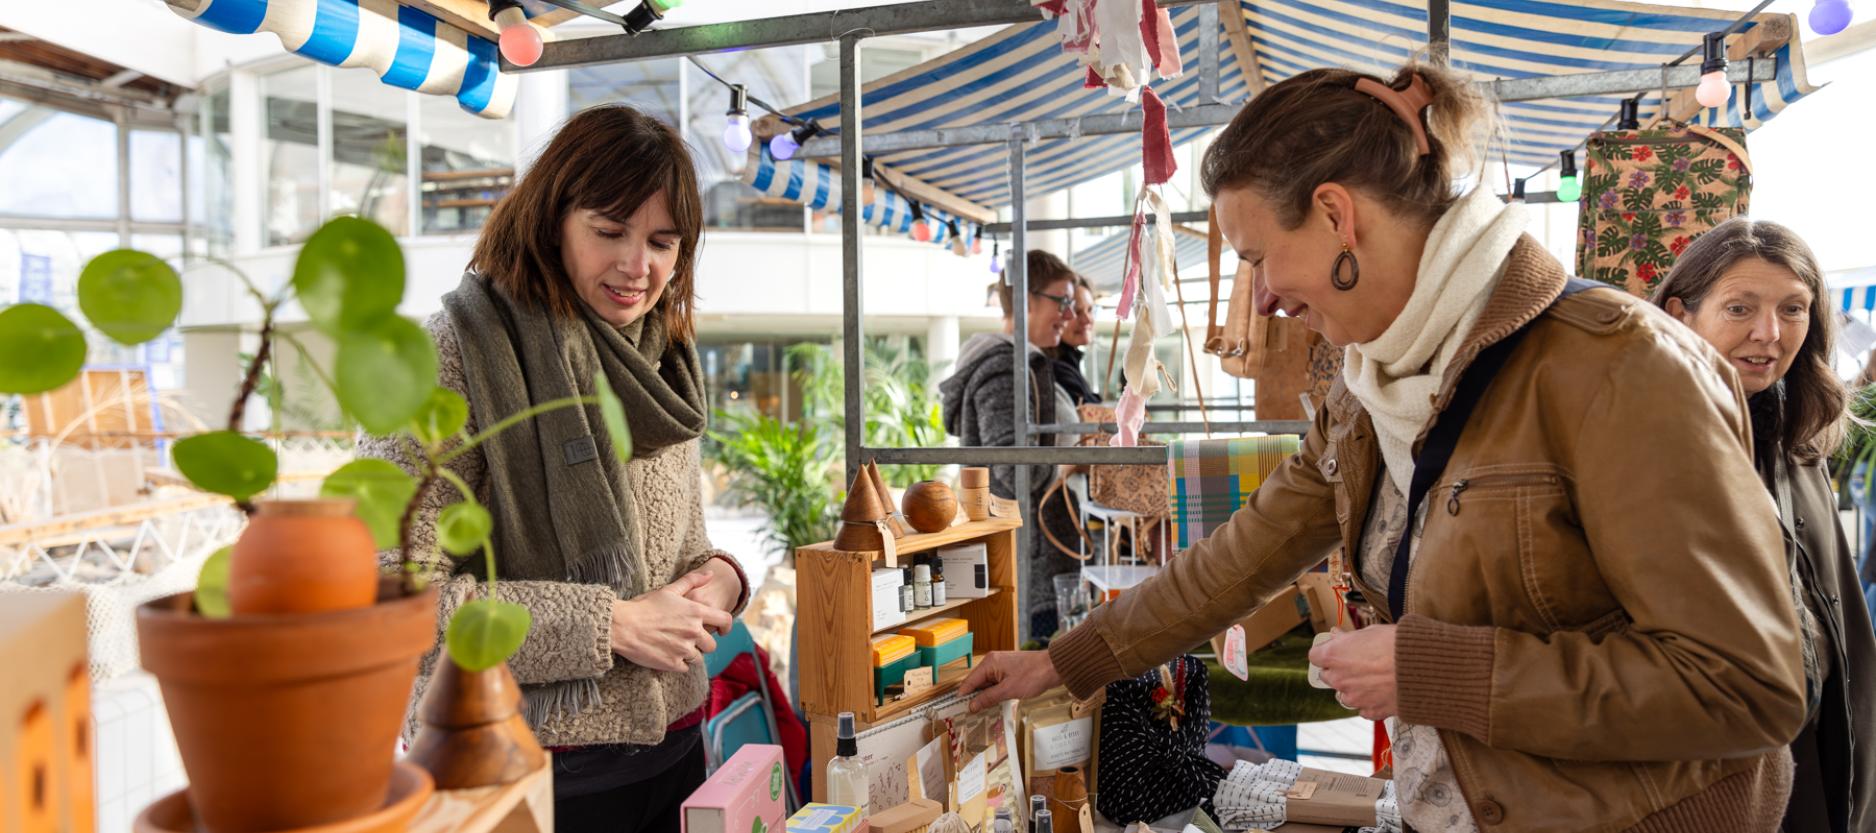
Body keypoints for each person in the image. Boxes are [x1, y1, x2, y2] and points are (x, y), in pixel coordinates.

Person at [959, 62, 1807, 833]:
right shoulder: (1368, 388)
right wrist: (1062, 662)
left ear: (1336, 215)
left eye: (1259, 257)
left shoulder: (1622, 367)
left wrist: (1429, 669)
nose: (1262, 298)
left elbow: (1746, 685)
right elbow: (1237, 559)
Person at [360, 104, 749, 833]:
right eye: (610, 231)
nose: (638, 266)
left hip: (673, 751)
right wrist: (611, 624)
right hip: (516, 766)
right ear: (550, 221)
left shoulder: (661, 359)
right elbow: (393, 603)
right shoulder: (448, 357)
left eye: (663, 242)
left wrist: (722, 576)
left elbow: (683, 543)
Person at [1650, 218, 1876, 833]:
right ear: (1679, 314)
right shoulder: (1644, 444)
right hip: (1706, 783)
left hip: (1819, 764)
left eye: (1793, 309)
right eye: (1739, 308)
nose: (1769, 333)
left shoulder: (1796, 441)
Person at [941, 250, 1082, 640]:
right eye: (1063, 301)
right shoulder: (1005, 368)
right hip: (1029, 562)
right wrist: (1077, 458)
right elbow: (1015, 469)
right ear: (1026, 300)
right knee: (1037, 664)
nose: (1070, 314)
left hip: (1037, 555)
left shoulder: (1021, 363)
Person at [1053, 275, 1102, 406]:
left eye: (1090, 310)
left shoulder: (1070, 364)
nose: (1087, 319)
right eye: (1076, 311)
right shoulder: (1058, 371)